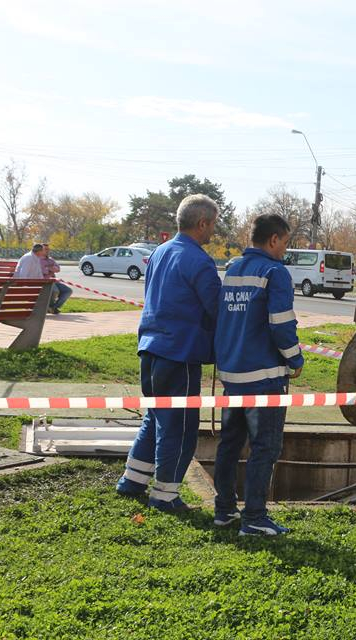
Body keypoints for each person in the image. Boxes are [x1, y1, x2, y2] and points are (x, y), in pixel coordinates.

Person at [115, 194, 222, 512]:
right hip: (180, 354)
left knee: (155, 417)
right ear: (202, 223)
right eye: (213, 224)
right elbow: (217, 309)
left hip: (150, 349)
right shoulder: (199, 260)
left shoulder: (160, 252)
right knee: (182, 425)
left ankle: (132, 481)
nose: (213, 231)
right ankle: (165, 495)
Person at [212, 213, 304, 536]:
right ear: (274, 239)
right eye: (285, 243)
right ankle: (254, 518)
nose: (285, 250)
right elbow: (281, 325)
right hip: (264, 378)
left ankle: (224, 510)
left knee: (230, 444)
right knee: (265, 447)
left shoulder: (233, 269)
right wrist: (296, 359)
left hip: (232, 374)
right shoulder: (275, 272)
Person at [40, 243, 72, 314]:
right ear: (40, 250)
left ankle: (53, 307)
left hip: (54, 280)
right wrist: (50, 269)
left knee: (68, 291)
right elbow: (43, 271)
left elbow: (58, 269)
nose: (48, 251)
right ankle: (50, 307)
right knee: (55, 290)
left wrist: (49, 268)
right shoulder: (37, 260)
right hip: (45, 281)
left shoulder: (51, 259)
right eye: (46, 249)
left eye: (48, 249)